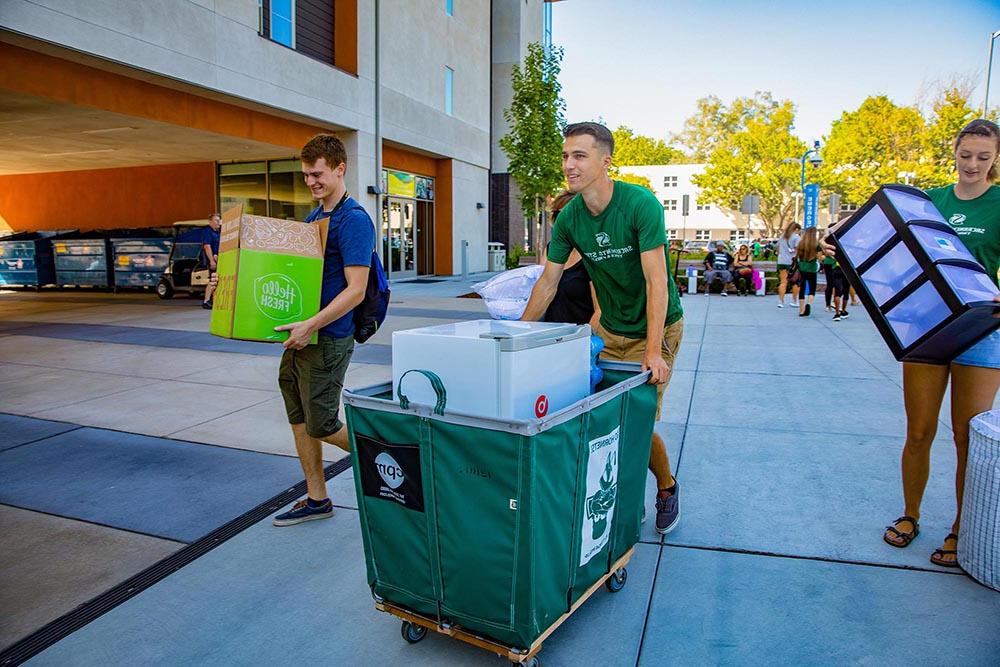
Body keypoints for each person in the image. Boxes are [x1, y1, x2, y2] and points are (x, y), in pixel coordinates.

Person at [522, 122, 684, 535]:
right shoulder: (571, 218)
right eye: (565, 155)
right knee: (606, 421)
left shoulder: (639, 204)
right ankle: (625, 497)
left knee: (637, 422)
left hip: (657, 326)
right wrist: (516, 337)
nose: (569, 164)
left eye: (580, 155)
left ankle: (665, 487)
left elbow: (657, 282)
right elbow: (548, 281)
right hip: (611, 331)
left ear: (605, 161)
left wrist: (652, 350)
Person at [876, 119, 1000, 567]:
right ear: (955, 152)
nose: (972, 165)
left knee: (969, 438)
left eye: (983, 158)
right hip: (927, 328)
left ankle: (960, 530)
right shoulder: (931, 201)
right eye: (966, 155)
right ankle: (910, 515)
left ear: (995, 159)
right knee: (919, 431)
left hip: (983, 332)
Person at [271, 134, 375, 527]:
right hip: (301, 336)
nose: (311, 181)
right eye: (306, 175)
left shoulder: (354, 220)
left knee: (323, 423)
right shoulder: (314, 219)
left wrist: (311, 324)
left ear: (339, 168)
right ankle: (317, 498)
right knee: (299, 416)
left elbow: (357, 289)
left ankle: (397, 458)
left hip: (328, 338)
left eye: (317, 174)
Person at [542, 190, 597, 327]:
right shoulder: (551, 249)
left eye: (570, 215)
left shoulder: (593, 254)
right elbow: (542, 288)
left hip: (579, 338)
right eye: (558, 214)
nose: (563, 221)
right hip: (550, 336)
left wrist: (584, 341)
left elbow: (600, 311)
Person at [794, 228, 822, 317]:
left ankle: (801, 310)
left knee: (802, 288)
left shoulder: (801, 244)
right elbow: (820, 258)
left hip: (802, 267)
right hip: (812, 268)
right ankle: (808, 304)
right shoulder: (817, 245)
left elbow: (797, 255)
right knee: (812, 288)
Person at [776, 223, 801, 308]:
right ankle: (794, 301)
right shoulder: (796, 237)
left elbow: (777, 248)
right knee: (795, 282)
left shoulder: (782, 236)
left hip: (781, 260)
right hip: (792, 262)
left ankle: (781, 301)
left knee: (783, 282)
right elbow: (798, 250)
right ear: (796, 229)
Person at [200, 213, 221, 309]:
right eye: (216, 220)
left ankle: (212, 300)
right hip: (213, 260)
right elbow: (207, 246)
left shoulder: (218, 232)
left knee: (217, 280)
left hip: (219, 259)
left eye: (219, 220)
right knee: (213, 280)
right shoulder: (208, 232)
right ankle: (206, 301)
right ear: (210, 222)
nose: (218, 222)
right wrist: (212, 261)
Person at [821, 245, 837, 312]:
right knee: (832, 284)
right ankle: (830, 304)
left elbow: (824, 251)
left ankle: (829, 304)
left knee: (831, 284)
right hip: (832, 263)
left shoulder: (827, 240)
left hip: (829, 262)